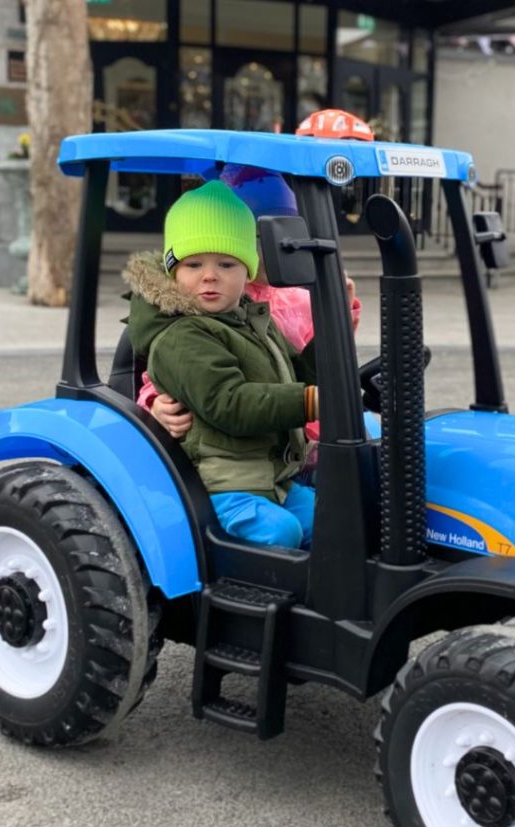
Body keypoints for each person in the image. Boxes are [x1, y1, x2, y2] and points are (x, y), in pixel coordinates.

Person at [123, 180, 318, 549]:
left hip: (270, 477)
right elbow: (228, 403)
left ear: (248, 271)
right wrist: (308, 400)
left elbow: (293, 375)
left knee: (337, 519)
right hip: (221, 484)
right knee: (282, 533)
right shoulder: (182, 336)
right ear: (173, 273)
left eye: (226, 263)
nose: (210, 275)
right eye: (194, 263)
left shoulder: (253, 321)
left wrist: (328, 343)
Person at [138, 165, 361, 438]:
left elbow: (304, 370)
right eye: (273, 238)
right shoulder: (195, 315)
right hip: (240, 448)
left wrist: (337, 320)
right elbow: (177, 374)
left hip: (300, 431)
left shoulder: (291, 303)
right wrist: (154, 404)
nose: (287, 247)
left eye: (293, 236)